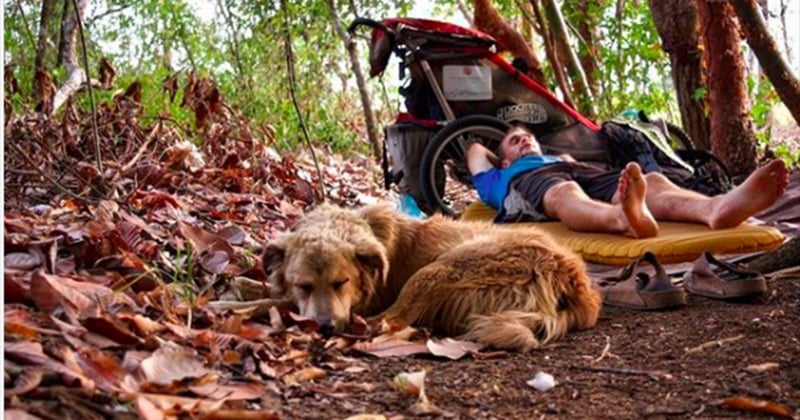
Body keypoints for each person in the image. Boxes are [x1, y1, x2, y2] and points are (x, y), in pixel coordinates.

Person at [467, 125, 789, 238]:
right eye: (515, 141)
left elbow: (569, 166)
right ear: (505, 158)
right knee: (566, 192)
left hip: (579, 170)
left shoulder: (559, 157)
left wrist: (562, 160)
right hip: (534, 182)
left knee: (653, 180)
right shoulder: (497, 178)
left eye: (528, 138)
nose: (524, 141)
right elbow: (475, 149)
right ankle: (620, 217)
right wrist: (504, 159)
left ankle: (716, 208)